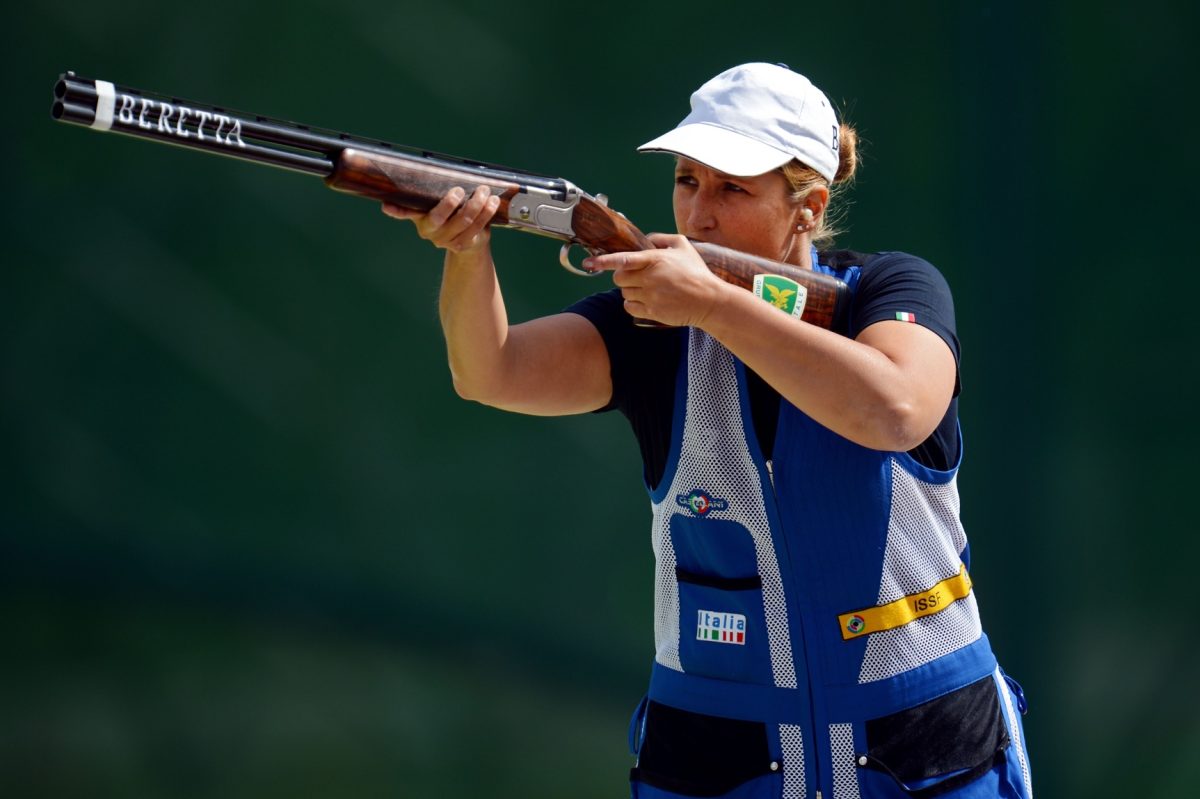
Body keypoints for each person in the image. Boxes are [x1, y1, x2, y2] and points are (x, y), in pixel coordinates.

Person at [384, 62, 1033, 799]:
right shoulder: (652, 326)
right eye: (688, 180)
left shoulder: (888, 290)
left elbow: (895, 408)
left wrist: (712, 306)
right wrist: (467, 255)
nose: (697, 215)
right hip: (721, 766)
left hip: (926, 757)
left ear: (808, 207)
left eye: (732, 189)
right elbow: (491, 371)